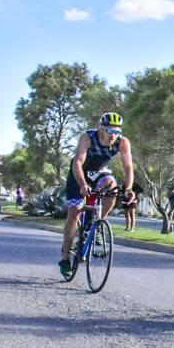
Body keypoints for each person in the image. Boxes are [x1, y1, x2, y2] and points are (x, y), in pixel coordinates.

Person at [59, 113, 135, 276]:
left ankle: (98, 223)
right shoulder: (87, 137)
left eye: (117, 131)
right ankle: (65, 257)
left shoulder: (122, 142)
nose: (113, 135)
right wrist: (82, 185)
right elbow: (78, 162)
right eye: (109, 131)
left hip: (98, 172)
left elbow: (128, 167)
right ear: (101, 129)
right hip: (78, 174)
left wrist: (128, 189)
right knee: (74, 212)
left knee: (112, 187)